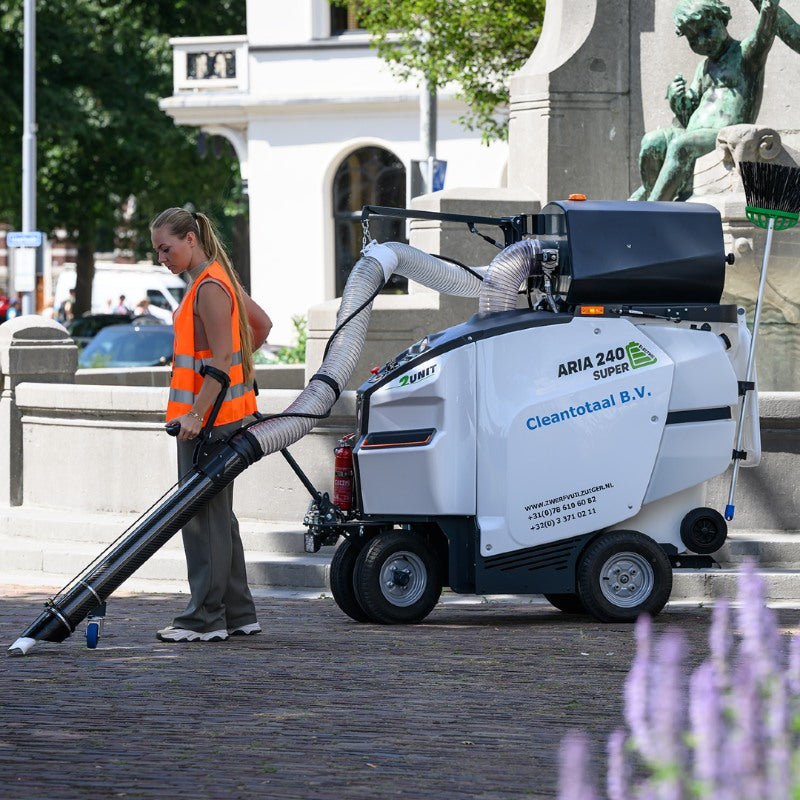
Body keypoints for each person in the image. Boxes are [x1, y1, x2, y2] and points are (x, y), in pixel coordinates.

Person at [150, 207, 272, 643]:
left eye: (166, 248)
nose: (162, 257)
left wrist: (198, 414)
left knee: (201, 519)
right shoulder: (220, 280)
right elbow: (260, 327)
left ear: (189, 239)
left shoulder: (208, 287)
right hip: (223, 418)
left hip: (207, 424)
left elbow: (221, 359)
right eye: (158, 250)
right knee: (220, 518)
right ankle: (238, 613)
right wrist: (233, 374)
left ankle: (203, 618)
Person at [630, 0, 780, 202]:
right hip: (692, 136)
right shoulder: (703, 67)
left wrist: (769, 8)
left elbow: (764, 35)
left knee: (680, 145)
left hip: (724, 137)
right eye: (693, 39)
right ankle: (652, 191)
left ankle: (651, 210)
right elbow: (687, 114)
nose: (701, 41)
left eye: (707, 30)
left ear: (722, 19)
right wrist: (677, 98)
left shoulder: (746, 54)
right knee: (651, 141)